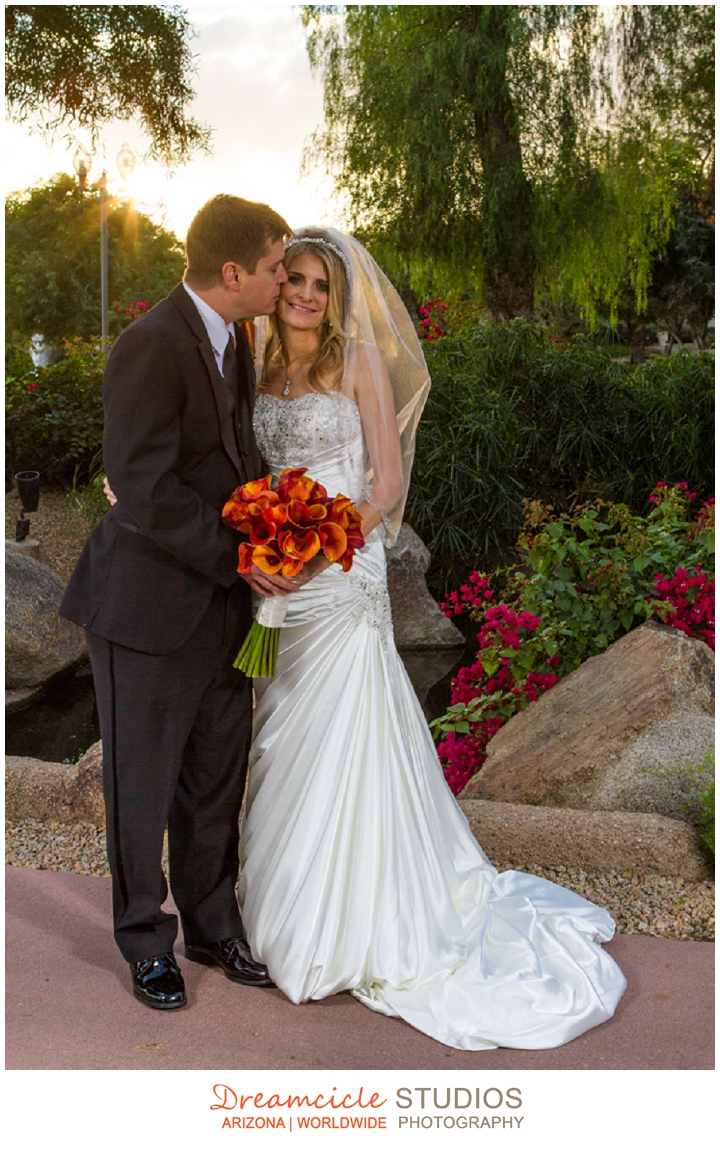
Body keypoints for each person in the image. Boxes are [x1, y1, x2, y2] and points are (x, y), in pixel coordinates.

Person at [237, 226, 627, 1050]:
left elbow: (387, 482)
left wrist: (319, 543)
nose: (304, 294)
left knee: (348, 737)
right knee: (283, 735)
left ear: (338, 296)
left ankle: (359, 921)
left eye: (318, 284)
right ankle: (291, 902)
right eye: (295, 280)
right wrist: (269, 544)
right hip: (281, 584)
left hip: (341, 578)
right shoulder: (260, 360)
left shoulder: (359, 364)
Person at [60, 195, 299, 1011]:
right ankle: (143, 941)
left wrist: (283, 525)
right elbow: (140, 484)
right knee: (143, 785)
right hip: (148, 612)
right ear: (233, 273)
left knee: (212, 778)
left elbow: (234, 459)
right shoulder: (150, 343)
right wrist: (241, 557)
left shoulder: (237, 340)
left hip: (227, 610)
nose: (282, 280)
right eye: (274, 267)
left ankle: (211, 926)